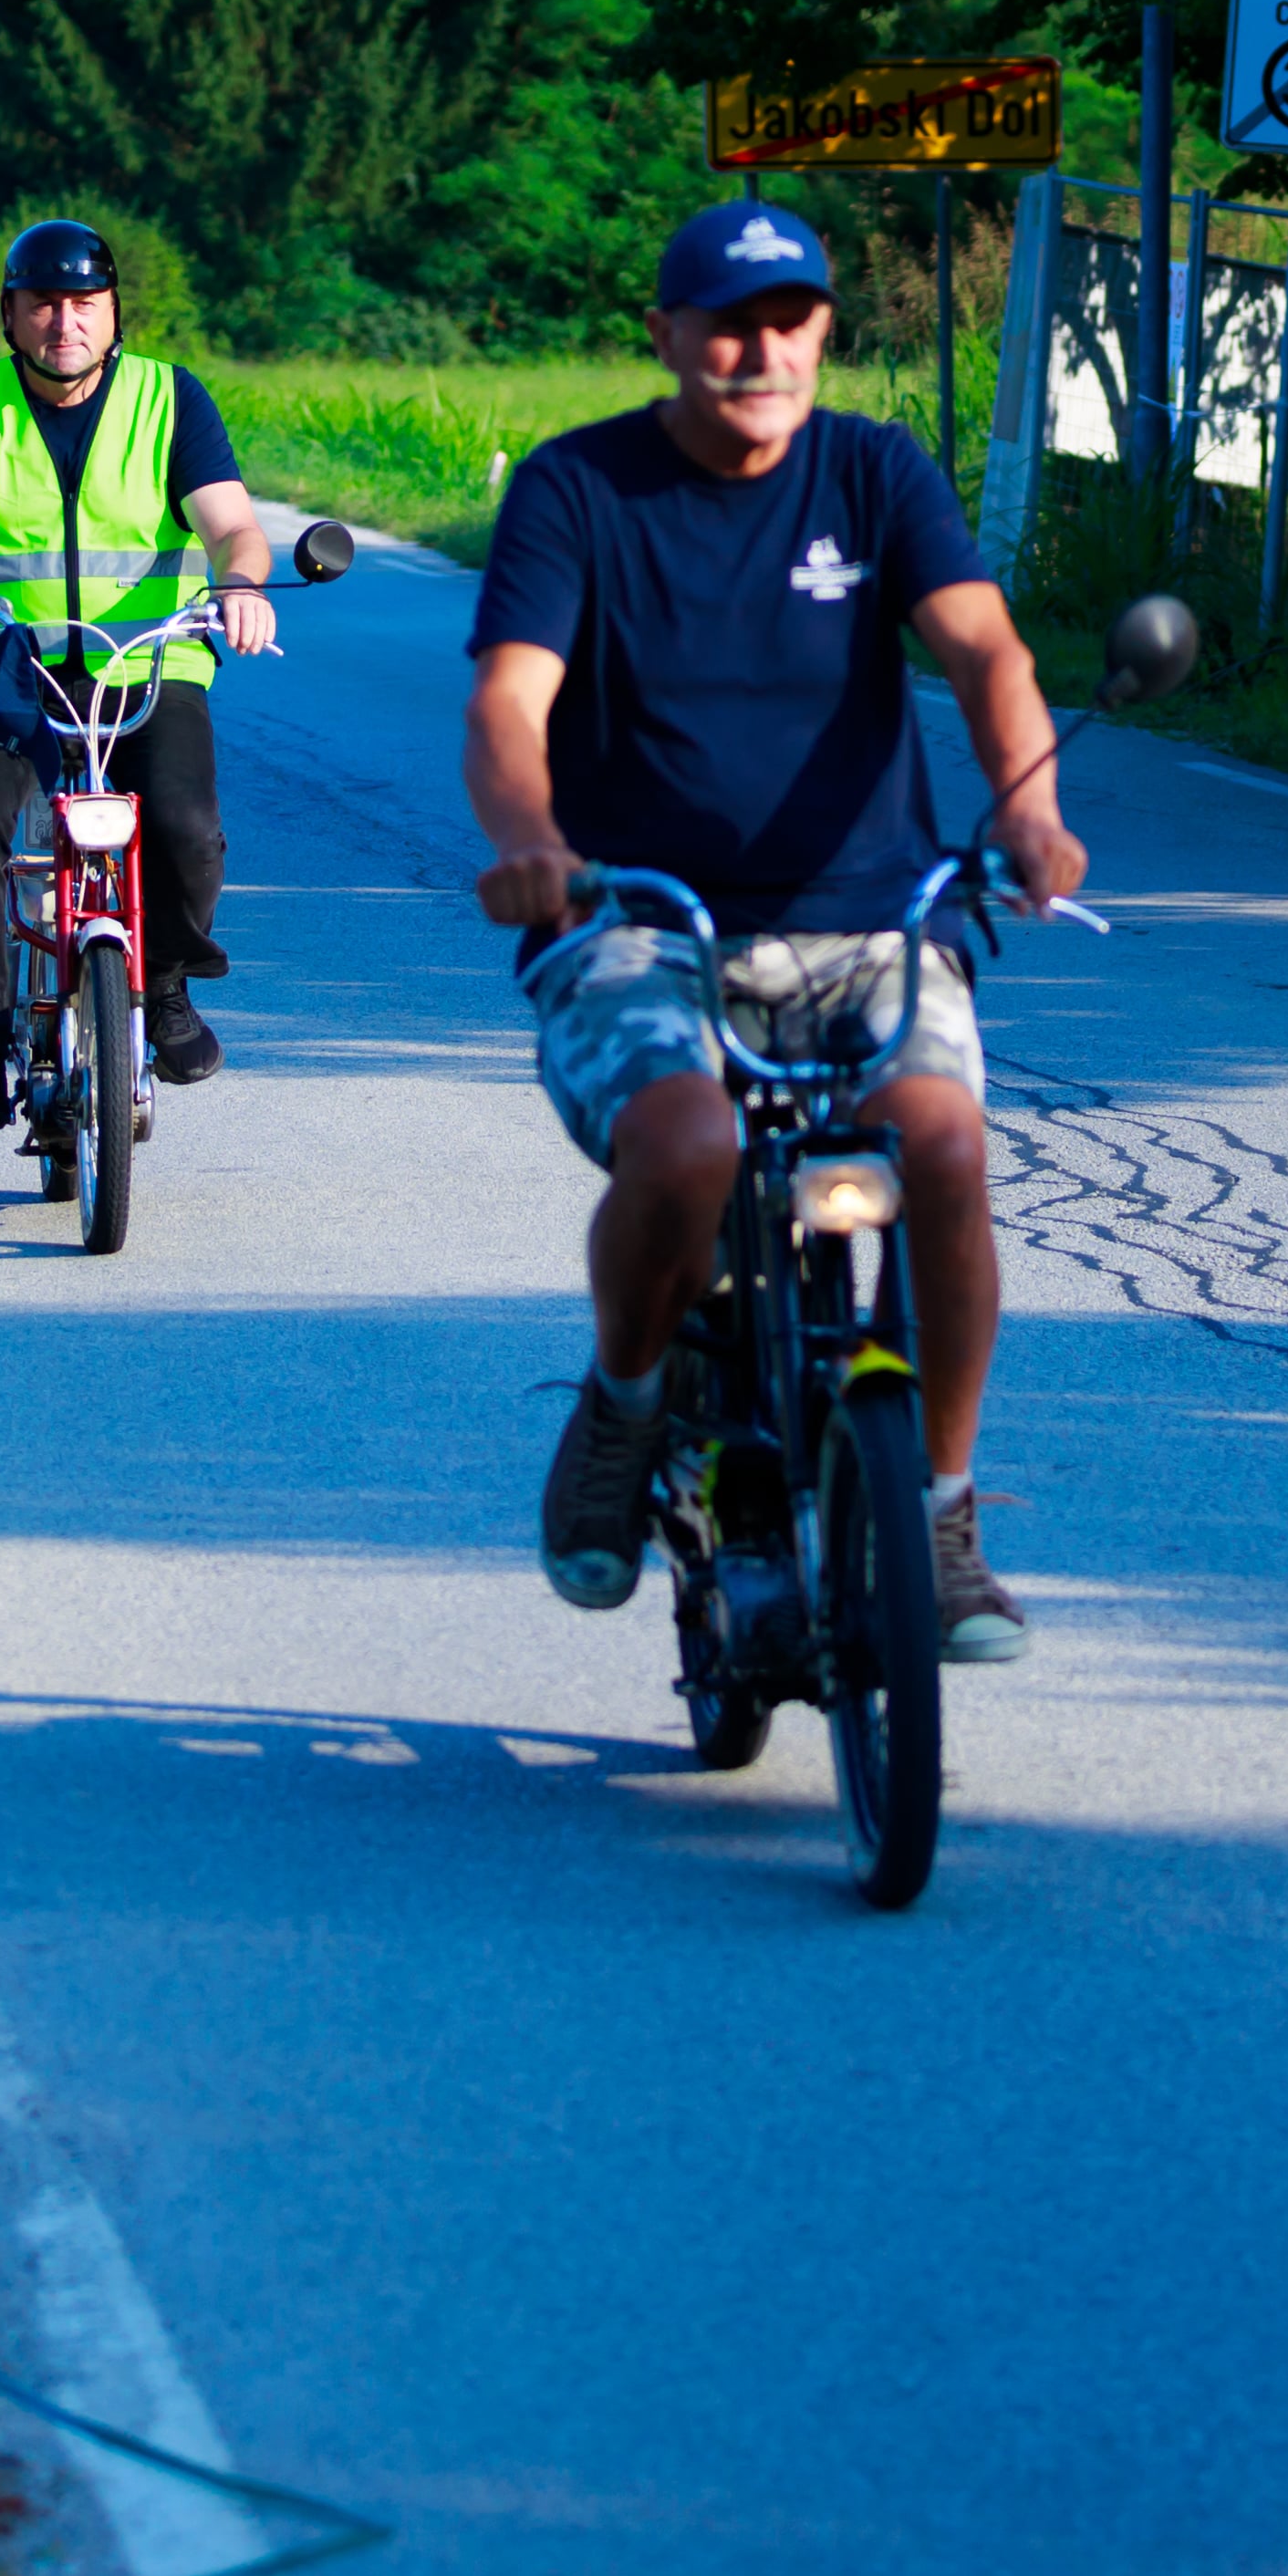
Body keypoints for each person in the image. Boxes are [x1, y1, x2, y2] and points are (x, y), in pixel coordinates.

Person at [462, 195, 1081, 1666]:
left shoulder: (874, 475)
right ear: (668, 336)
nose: (761, 350)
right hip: (635, 925)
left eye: (790, 319)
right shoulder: (578, 490)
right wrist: (533, 844)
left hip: (872, 925)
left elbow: (987, 649)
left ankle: (938, 1511)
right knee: (687, 1148)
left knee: (941, 1145)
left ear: (822, 332)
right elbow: (508, 703)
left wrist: (1031, 810)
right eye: (728, 323)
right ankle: (623, 1407)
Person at [0, 217, 286, 1129]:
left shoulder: (169, 399)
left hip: (148, 662)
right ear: (11, 314)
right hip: (8, 666)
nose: (66, 321)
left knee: (184, 823)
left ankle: (168, 982)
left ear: (113, 313)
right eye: (45, 303)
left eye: (86, 302)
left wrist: (244, 586)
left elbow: (231, 524)